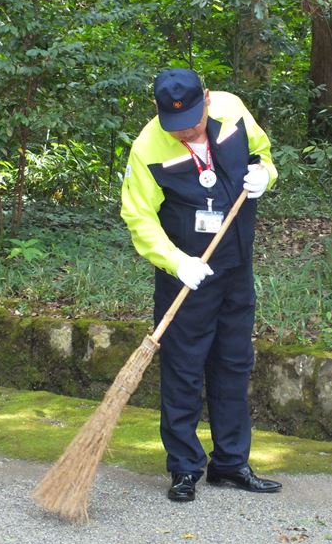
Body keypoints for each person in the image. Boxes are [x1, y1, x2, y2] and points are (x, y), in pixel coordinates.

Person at [120, 68, 281, 502]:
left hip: (235, 266)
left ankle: (230, 463)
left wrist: (265, 174)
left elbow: (263, 154)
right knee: (183, 369)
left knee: (233, 363)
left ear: (207, 99)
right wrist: (176, 262)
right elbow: (138, 217)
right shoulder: (147, 148)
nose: (184, 133)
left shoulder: (233, 111)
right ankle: (185, 467)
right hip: (187, 276)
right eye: (175, 127)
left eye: (191, 123)